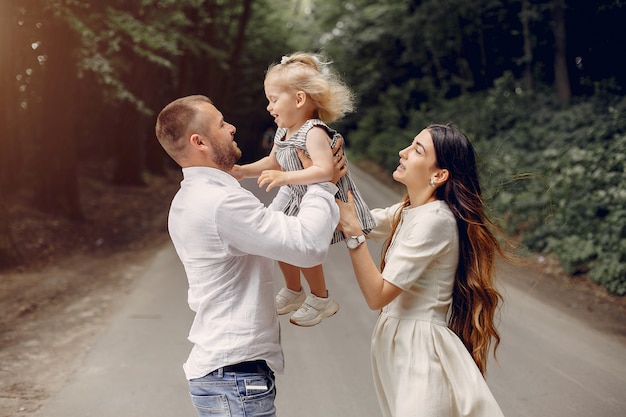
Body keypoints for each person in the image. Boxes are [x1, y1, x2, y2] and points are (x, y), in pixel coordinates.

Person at [154, 94, 340, 417]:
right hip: (234, 379)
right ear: (199, 141)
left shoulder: (197, 197)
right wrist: (322, 185)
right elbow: (307, 245)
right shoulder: (220, 204)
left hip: (228, 377)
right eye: (222, 124)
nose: (231, 128)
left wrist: (296, 177)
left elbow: (265, 227)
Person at [335, 124, 506, 417]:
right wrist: (334, 170)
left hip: (421, 350)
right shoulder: (408, 211)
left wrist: (353, 236)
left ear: (438, 175)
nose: (402, 152)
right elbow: (356, 218)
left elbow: (377, 295)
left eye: (417, 149)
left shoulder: (435, 220)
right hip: (399, 346)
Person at [232, 52, 376, 327]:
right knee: (279, 242)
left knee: (303, 246)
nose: (268, 107)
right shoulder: (283, 131)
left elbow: (324, 171)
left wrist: (285, 179)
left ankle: (322, 298)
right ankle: (294, 290)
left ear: (298, 99)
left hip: (326, 198)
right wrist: (243, 171)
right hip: (301, 197)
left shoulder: (313, 131)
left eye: (273, 100)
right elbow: (272, 161)